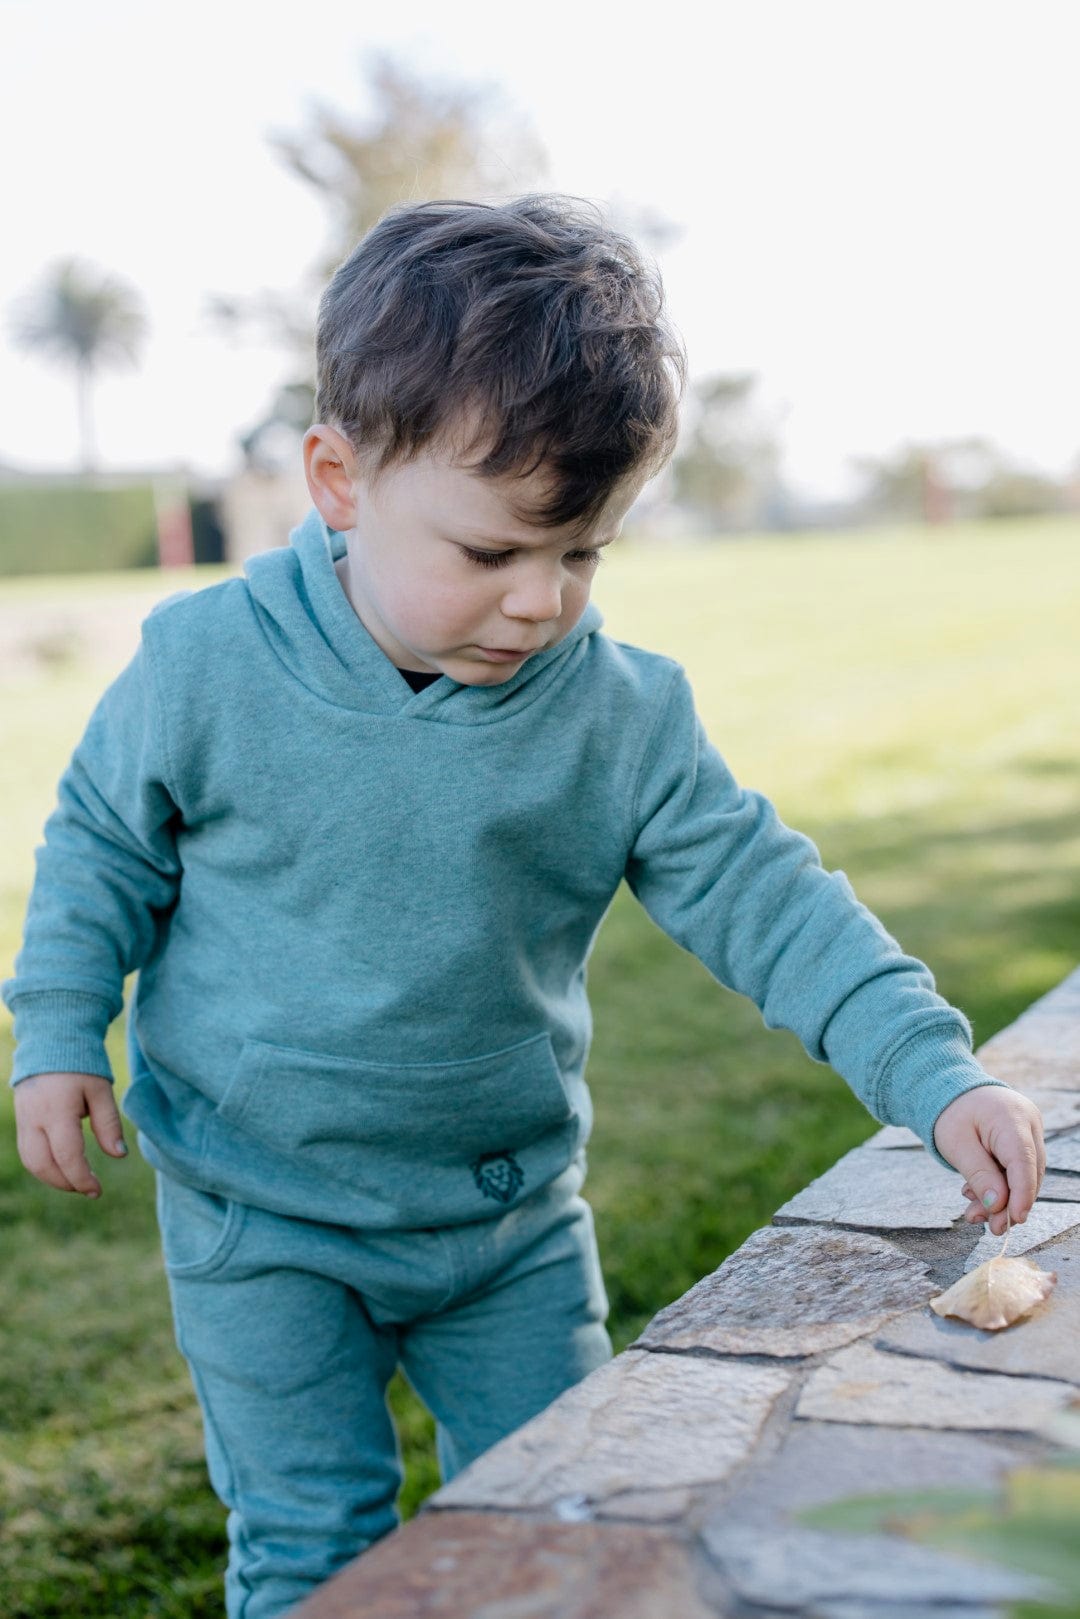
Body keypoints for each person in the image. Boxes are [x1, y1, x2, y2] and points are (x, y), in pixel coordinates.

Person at [4, 195, 1045, 1619]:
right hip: (262, 1218)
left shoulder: (619, 717)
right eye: (492, 554)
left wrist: (935, 1074)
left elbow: (770, 899)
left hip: (504, 1229)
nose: (542, 601)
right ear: (337, 478)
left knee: (563, 1523)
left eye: (585, 553)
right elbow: (100, 852)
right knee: (315, 1546)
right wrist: (58, 1027)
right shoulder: (204, 669)